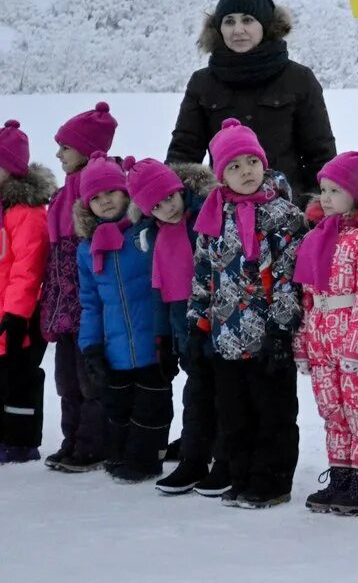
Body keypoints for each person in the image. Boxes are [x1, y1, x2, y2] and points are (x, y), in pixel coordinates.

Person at [191, 119, 307, 509]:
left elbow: (291, 275)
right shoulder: (213, 215)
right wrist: (198, 323)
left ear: (263, 163)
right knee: (234, 414)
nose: (246, 172)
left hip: (268, 337)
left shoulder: (284, 215)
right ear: (221, 174)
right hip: (225, 336)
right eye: (234, 166)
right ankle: (241, 476)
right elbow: (204, 272)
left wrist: (281, 327)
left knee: (272, 412)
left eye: (251, 162)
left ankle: (272, 479)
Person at [167, 0, 336, 200]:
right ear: (219, 29)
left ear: (266, 25)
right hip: (225, 215)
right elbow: (183, 154)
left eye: (247, 20)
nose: (238, 30)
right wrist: (172, 200)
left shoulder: (299, 79)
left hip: (290, 213)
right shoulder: (202, 82)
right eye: (229, 21)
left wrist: (314, 209)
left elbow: (321, 155)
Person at [294, 145, 358, 517]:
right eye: (324, 189)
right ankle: (341, 474)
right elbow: (307, 295)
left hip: (353, 345)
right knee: (332, 410)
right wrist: (303, 344)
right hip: (321, 342)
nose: (326, 197)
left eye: (336, 190)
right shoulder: (317, 237)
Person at [126, 158, 226, 497]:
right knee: (196, 394)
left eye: (169, 197)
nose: (166, 207)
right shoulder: (155, 235)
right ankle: (194, 458)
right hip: (182, 327)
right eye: (155, 205)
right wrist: (163, 338)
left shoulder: (204, 219)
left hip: (217, 322)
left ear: (179, 189)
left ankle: (225, 458)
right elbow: (159, 290)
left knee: (224, 394)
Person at [75, 154, 171, 484]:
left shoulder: (144, 234)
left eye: (111, 194)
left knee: (152, 407)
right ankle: (121, 455)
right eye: (96, 198)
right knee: (117, 408)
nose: (104, 202)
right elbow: (90, 303)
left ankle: (148, 460)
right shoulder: (87, 250)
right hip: (114, 351)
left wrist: (169, 336)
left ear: (126, 193)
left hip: (151, 345)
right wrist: (90, 347)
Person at [42, 101, 117, 474]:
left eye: (65, 147)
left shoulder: (96, 190)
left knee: (90, 382)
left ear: (86, 149)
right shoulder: (62, 193)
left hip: (87, 306)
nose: (58, 153)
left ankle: (92, 446)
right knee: (66, 381)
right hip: (62, 305)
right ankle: (71, 440)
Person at [0, 120, 53, 464]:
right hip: (5, 313)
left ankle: (21, 443)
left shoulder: (28, 214)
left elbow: (27, 269)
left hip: (22, 316)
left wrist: (16, 315)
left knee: (19, 381)